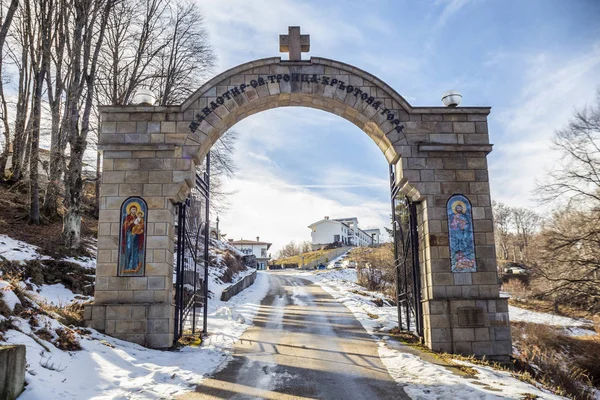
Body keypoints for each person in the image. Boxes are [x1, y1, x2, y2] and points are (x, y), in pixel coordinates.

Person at [121, 204, 145, 272]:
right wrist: (129, 223)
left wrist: (140, 228)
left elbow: (142, 225)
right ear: (130, 210)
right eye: (132, 209)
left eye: (135, 209)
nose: (134, 211)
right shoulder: (128, 217)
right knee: (129, 248)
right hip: (129, 235)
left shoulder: (138, 217)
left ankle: (135, 264)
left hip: (136, 235)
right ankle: (127, 265)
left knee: (135, 249)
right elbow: (124, 226)